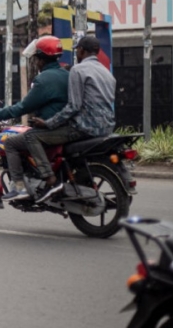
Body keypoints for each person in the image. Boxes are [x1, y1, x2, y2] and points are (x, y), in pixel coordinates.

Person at [28, 35, 116, 203]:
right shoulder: (106, 72)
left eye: (78, 50)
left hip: (84, 128)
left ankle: (50, 181)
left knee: (31, 136)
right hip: (106, 127)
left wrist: (48, 123)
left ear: (81, 51)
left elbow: (74, 106)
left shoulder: (78, 70)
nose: (77, 53)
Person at [0, 36, 69, 201]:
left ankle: (20, 187)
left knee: (11, 143)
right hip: (63, 126)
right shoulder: (65, 74)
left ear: (42, 59)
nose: (35, 62)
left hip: (52, 129)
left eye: (37, 58)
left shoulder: (43, 80)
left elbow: (23, 107)